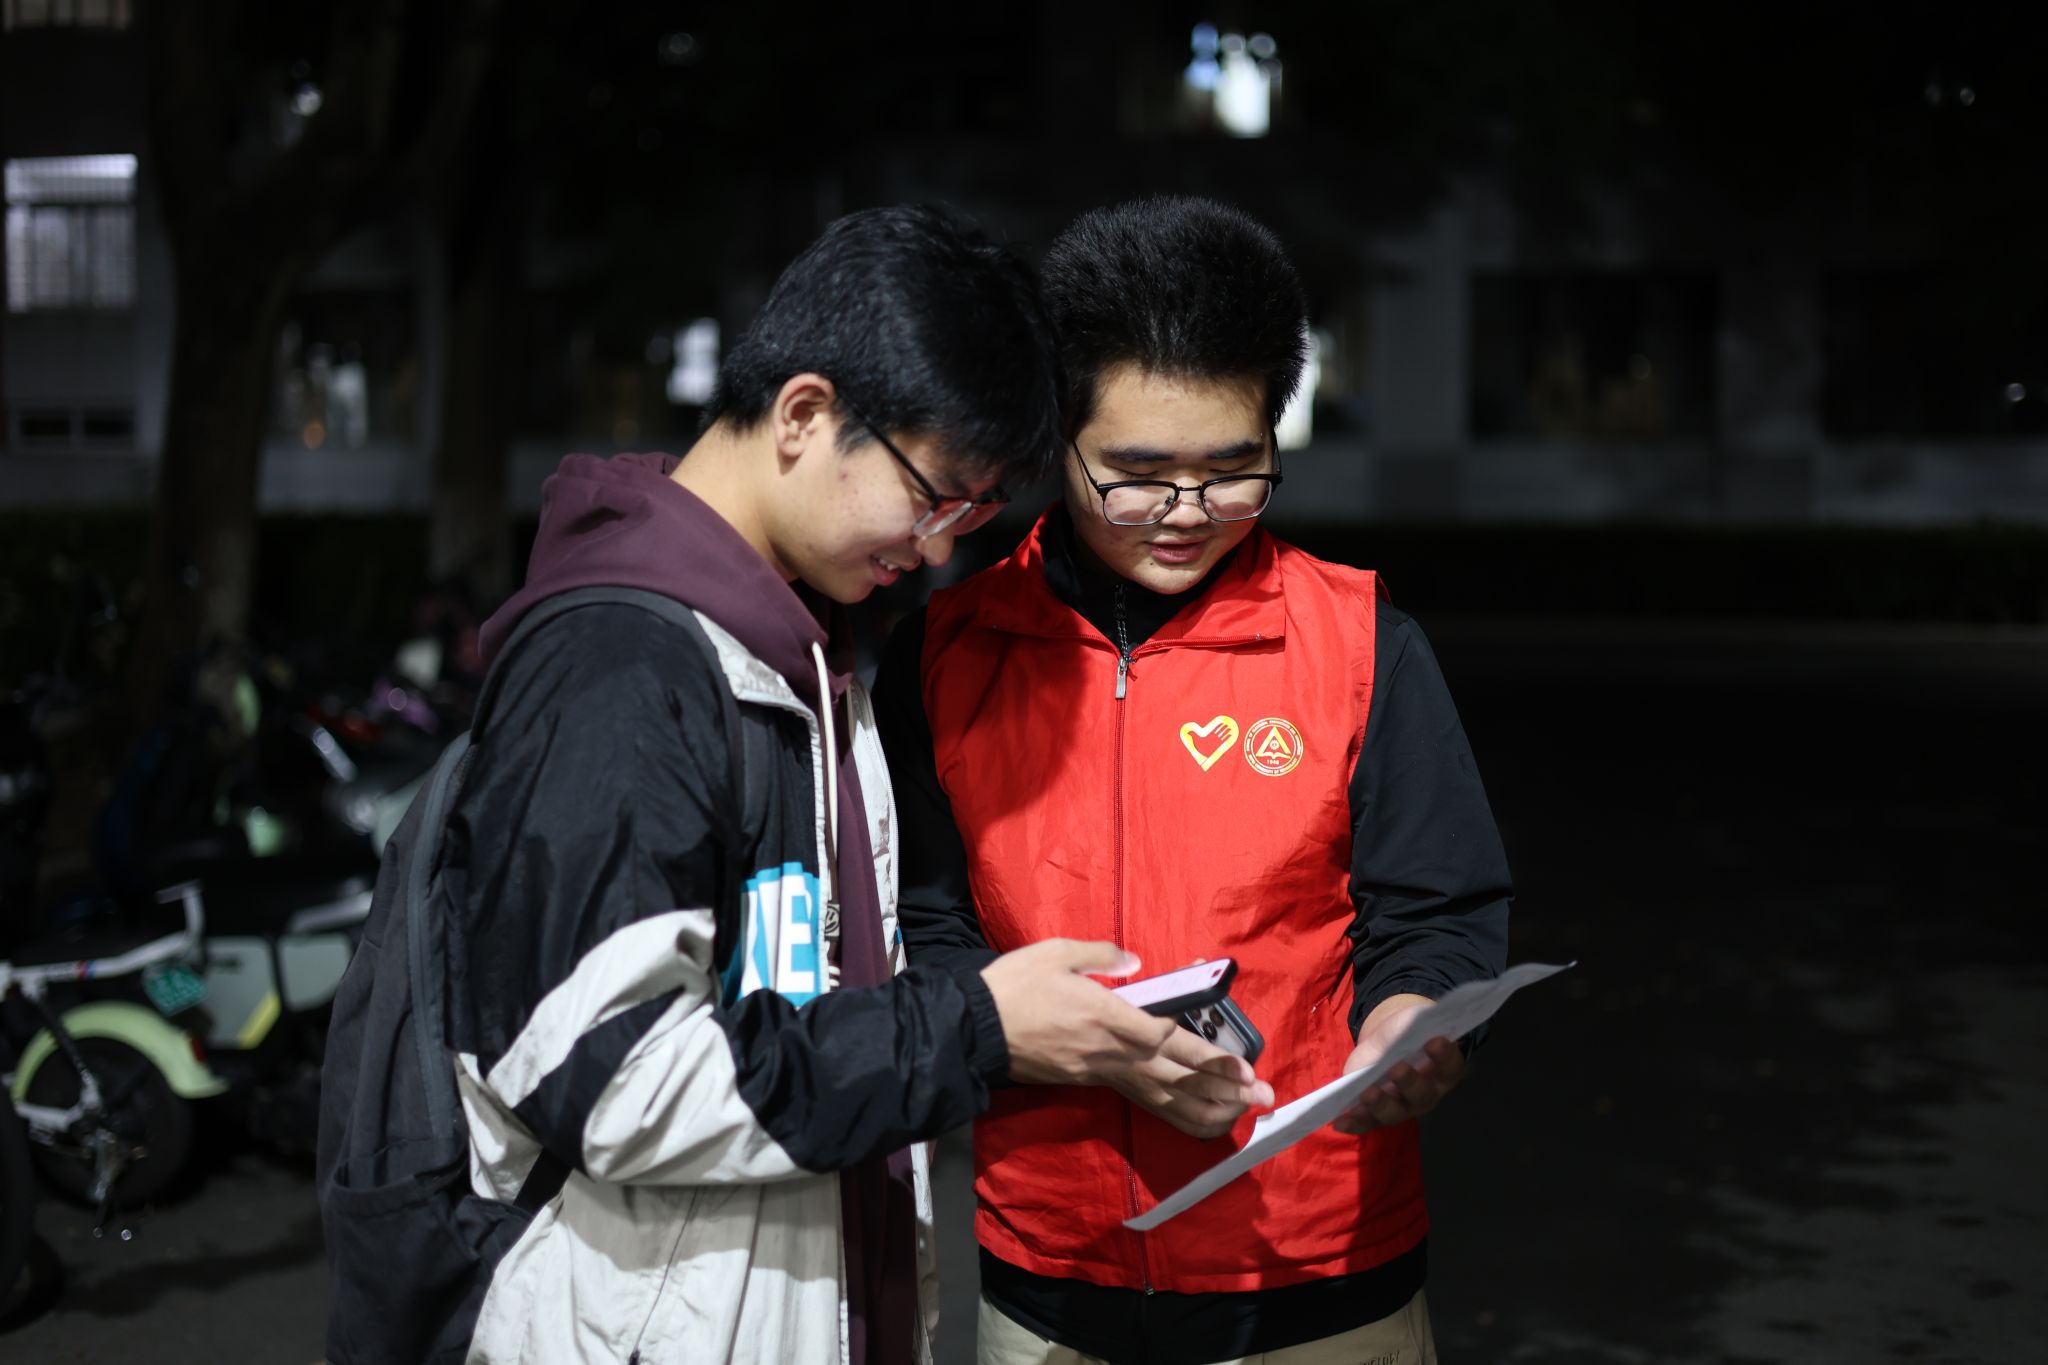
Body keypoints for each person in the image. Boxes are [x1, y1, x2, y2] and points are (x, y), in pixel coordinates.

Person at [318, 205, 1179, 1365]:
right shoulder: (620, 670)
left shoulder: (792, 647)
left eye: (972, 514)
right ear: (804, 414)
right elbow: (611, 1079)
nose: (937, 548)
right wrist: (975, 1025)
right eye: (934, 496)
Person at [874, 196, 1514, 1365]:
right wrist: (1032, 1029)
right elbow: (919, 923)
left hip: (1320, 1273)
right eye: (1134, 474)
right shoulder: (947, 654)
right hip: (1048, 1264)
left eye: (1232, 472)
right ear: (1055, 440)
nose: (1183, 515)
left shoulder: (1361, 645)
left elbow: (1434, 909)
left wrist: (1413, 1020)